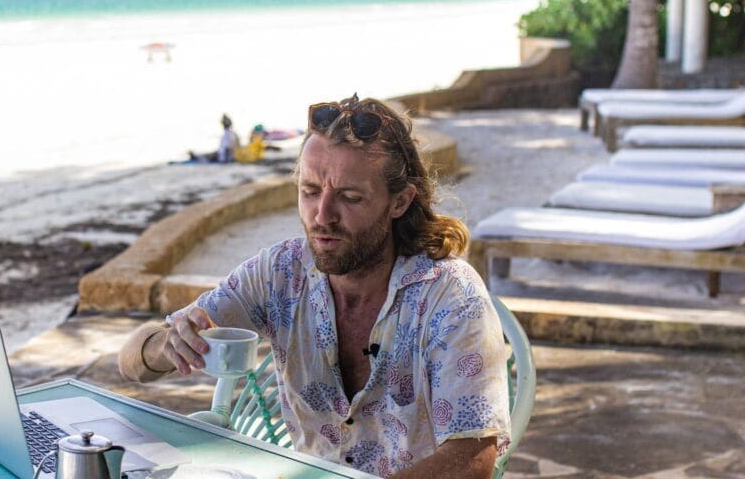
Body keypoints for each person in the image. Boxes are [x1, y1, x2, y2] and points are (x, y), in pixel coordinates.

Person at [120, 94, 510, 478]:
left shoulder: (450, 296)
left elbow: (472, 458)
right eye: (309, 192)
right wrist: (164, 345)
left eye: (350, 197)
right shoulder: (279, 274)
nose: (322, 216)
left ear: (400, 201)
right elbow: (131, 365)